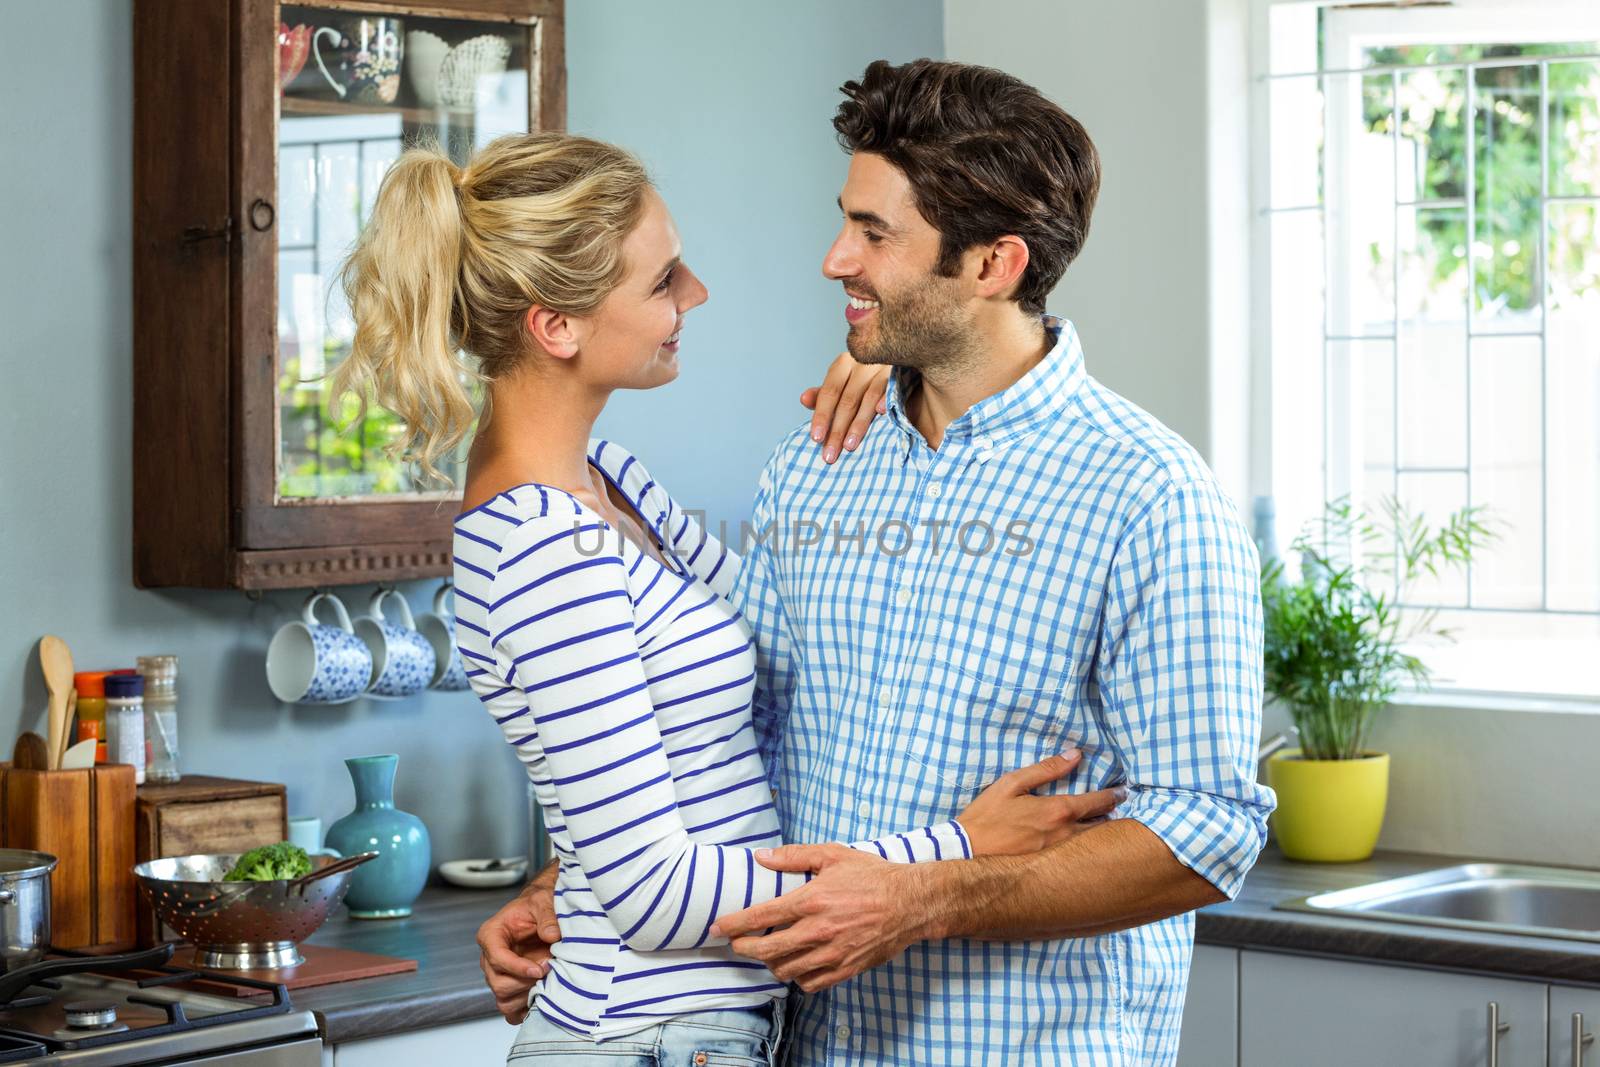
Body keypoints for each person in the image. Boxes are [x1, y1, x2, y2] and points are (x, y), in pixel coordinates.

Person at [484, 60, 1278, 1067]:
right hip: (805, 1043)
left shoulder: (1149, 497)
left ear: (992, 265)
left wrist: (926, 895)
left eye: (874, 233)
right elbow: (733, 735)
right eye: (843, 219)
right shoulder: (813, 467)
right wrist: (583, 882)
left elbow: (1206, 831)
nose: (832, 259)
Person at [330, 131, 1126, 1065]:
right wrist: (955, 847)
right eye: (664, 281)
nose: (694, 295)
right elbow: (653, 891)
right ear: (557, 326)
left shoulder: (611, 483)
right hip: (640, 1038)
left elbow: (781, 637)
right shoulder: (537, 548)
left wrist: (898, 362)